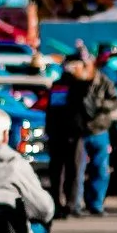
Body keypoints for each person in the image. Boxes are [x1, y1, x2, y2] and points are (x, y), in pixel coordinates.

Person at [67, 52, 117, 216]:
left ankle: (96, 203)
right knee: (77, 170)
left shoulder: (103, 81)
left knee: (101, 169)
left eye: (85, 64)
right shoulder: (73, 83)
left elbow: (115, 101)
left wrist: (100, 104)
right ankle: (75, 204)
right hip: (79, 132)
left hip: (99, 130)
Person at [44, 57, 88, 214]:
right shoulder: (79, 86)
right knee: (73, 170)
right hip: (72, 134)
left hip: (56, 133)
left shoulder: (57, 86)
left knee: (57, 170)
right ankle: (71, 203)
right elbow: (83, 110)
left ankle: (57, 201)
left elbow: (51, 110)